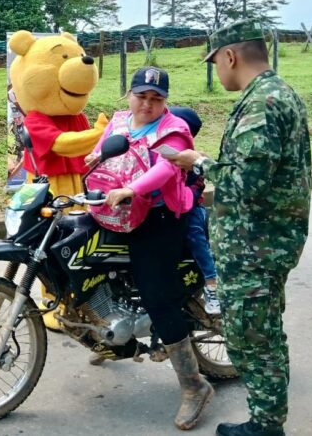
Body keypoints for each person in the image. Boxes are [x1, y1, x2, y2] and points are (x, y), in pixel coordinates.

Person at [172, 20, 311, 436]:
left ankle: (266, 427)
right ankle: (267, 420)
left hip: (256, 247)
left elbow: (246, 183)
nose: (217, 70)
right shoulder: (276, 93)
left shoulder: (262, 104)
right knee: (264, 333)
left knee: (255, 340)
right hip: (263, 242)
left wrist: (196, 162)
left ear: (230, 56)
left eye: (216, 62)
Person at [92, 66, 214, 431]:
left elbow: (165, 168)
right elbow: (101, 149)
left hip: (158, 217)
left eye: (156, 98)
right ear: (128, 94)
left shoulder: (173, 130)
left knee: (157, 296)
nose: (147, 103)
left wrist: (135, 189)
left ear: (165, 102)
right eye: (141, 95)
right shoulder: (118, 121)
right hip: (116, 210)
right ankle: (105, 331)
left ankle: (195, 385)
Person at [169, 106, 221, 315]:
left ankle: (212, 283)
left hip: (191, 210)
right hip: (170, 210)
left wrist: (182, 194)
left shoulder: (194, 158)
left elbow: (198, 185)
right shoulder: (158, 152)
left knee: (194, 234)